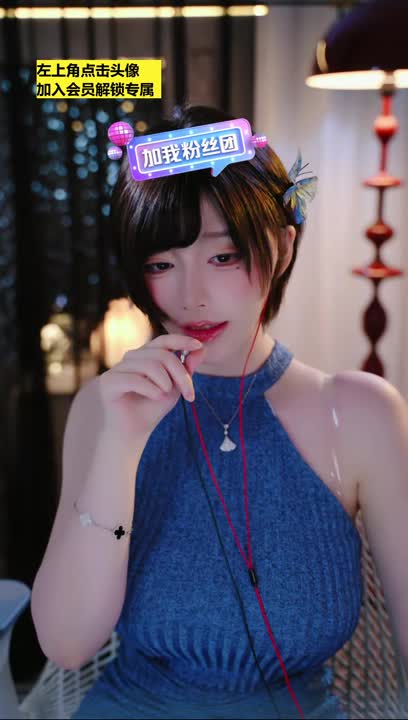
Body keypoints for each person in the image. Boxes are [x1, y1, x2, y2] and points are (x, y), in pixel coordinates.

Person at [31, 103, 407, 719]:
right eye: (161, 264)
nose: (191, 296)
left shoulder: (360, 414)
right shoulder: (105, 408)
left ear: (282, 248)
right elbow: (67, 645)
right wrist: (121, 446)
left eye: (223, 256)